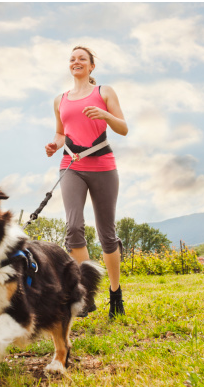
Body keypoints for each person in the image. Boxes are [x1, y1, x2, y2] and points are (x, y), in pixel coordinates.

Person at [45, 46, 128, 320]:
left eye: (82, 58)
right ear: (69, 66)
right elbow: (61, 133)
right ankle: (86, 293)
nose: (76, 62)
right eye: (72, 59)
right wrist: (54, 145)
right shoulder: (60, 99)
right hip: (71, 165)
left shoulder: (104, 92)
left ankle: (115, 293)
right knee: (73, 228)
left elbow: (123, 128)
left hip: (102, 165)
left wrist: (105, 115)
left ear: (91, 66)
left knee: (107, 233)